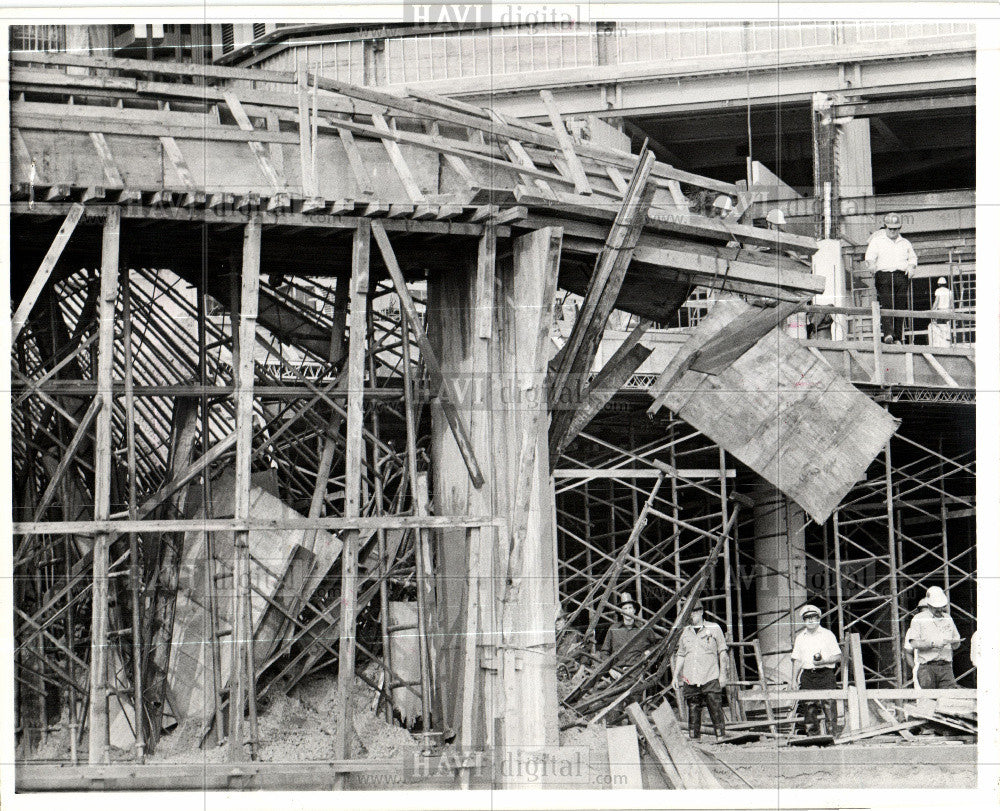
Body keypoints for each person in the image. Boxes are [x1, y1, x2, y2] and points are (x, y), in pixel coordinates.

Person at [672, 598, 728, 740]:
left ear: (702, 612)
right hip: (691, 677)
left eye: (695, 611)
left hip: (710, 676)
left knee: (715, 707)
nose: (692, 615)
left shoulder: (714, 628)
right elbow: (681, 655)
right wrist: (675, 676)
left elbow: (722, 652)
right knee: (693, 709)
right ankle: (695, 740)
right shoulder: (685, 632)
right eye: (690, 612)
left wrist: (723, 675)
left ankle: (721, 739)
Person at [865, 212, 918, 344]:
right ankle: (888, 334)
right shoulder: (877, 241)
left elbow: (913, 258)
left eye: (896, 229)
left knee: (900, 306)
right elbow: (870, 256)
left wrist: (911, 267)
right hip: (884, 276)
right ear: (885, 227)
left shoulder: (905, 243)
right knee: (887, 304)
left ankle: (898, 337)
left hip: (901, 276)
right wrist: (871, 265)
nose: (893, 231)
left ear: (899, 228)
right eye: (890, 229)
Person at [790, 605, 842, 736]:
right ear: (804, 621)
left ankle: (833, 737)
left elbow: (838, 656)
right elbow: (797, 660)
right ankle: (812, 738)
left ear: (819, 619)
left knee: (829, 707)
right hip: (808, 675)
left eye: (814, 618)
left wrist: (824, 661)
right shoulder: (800, 638)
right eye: (807, 618)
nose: (811, 621)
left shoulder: (828, 635)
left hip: (825, 674)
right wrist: (794, 680)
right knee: (809, 708)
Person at [904, 586, 961, 689]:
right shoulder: (918, 619)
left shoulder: (948, 618)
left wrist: (955, 643)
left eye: (941, 607)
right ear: (929, 605)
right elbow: (914, 643)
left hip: (946, 666)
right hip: (927, 667)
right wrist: (932, 644)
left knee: (948, 699)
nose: (939, 610)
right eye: (936, 607)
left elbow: (956, 642)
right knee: (929, 700)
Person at [601, 591, 643, 671]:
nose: (628, 611)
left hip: (636, 671)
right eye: (625, 609)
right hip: (617, 673)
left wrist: (647, 652)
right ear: (621, 612)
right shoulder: (613, 629)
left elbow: (658, 642)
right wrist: (610, 670)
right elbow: (604, 652)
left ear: (634, 610)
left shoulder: (642, 628)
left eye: (630, 608)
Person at [928, 277, 955, 347]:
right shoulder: (950, 291)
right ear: (945, 284)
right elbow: (952, 304)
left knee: (940, 327)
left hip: (940, 311)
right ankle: (947, 343)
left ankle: (941, 344)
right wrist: (952, 312)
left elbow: (936, 301)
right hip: (947, 311)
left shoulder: (938, 290)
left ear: (939, 284)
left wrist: (932, 310)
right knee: (946, 326)